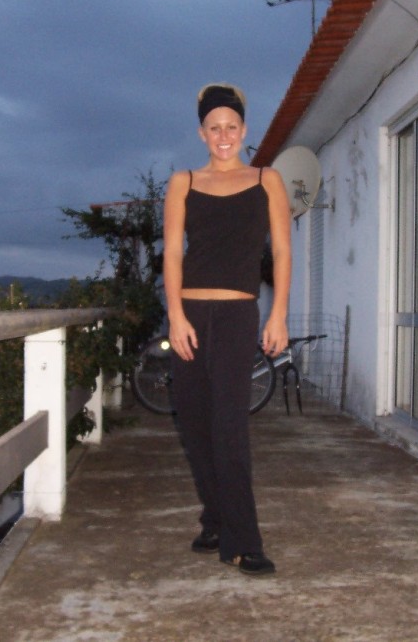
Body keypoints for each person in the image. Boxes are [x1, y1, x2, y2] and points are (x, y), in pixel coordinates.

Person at [162, 83, 291, 576]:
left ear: (244, 131)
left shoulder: (267, 179)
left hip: (239, 315)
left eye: (231, 127)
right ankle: (215, 516)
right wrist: (174, 315)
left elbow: (280, 251)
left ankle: (244, 539)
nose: (223, 135)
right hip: (190, 314)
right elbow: (173, 253)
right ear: (201, 132)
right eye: (214, 127)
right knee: (195, 425)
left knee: (230, 426)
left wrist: (278, 312)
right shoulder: (184, 183)